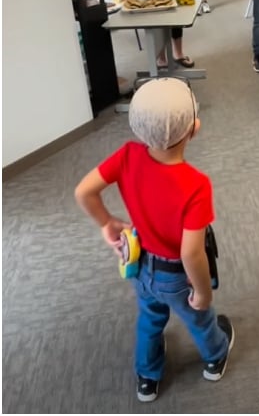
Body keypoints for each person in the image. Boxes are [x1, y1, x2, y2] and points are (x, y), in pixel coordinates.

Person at [73, 77, 234, 402]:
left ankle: (147, 378)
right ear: (194, 128)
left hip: (140, 264)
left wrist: (107, 222)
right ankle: (215, 358)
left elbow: (83, 191)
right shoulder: (196, 185)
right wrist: (201, 292)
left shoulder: (127, 155)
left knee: (149, 320)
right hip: (176, 277)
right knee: (200, 318)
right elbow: (192, 253)